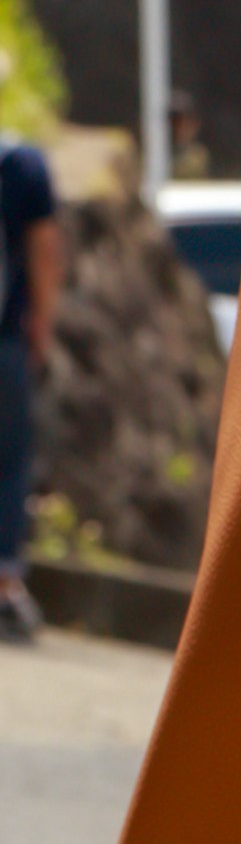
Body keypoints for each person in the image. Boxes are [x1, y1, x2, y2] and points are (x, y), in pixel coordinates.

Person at [0, 125, 57, 645]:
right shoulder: (20, 167)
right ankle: (3, 583)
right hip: (5, 344)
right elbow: (43, 247)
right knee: (9, 461)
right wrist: (41, 321)